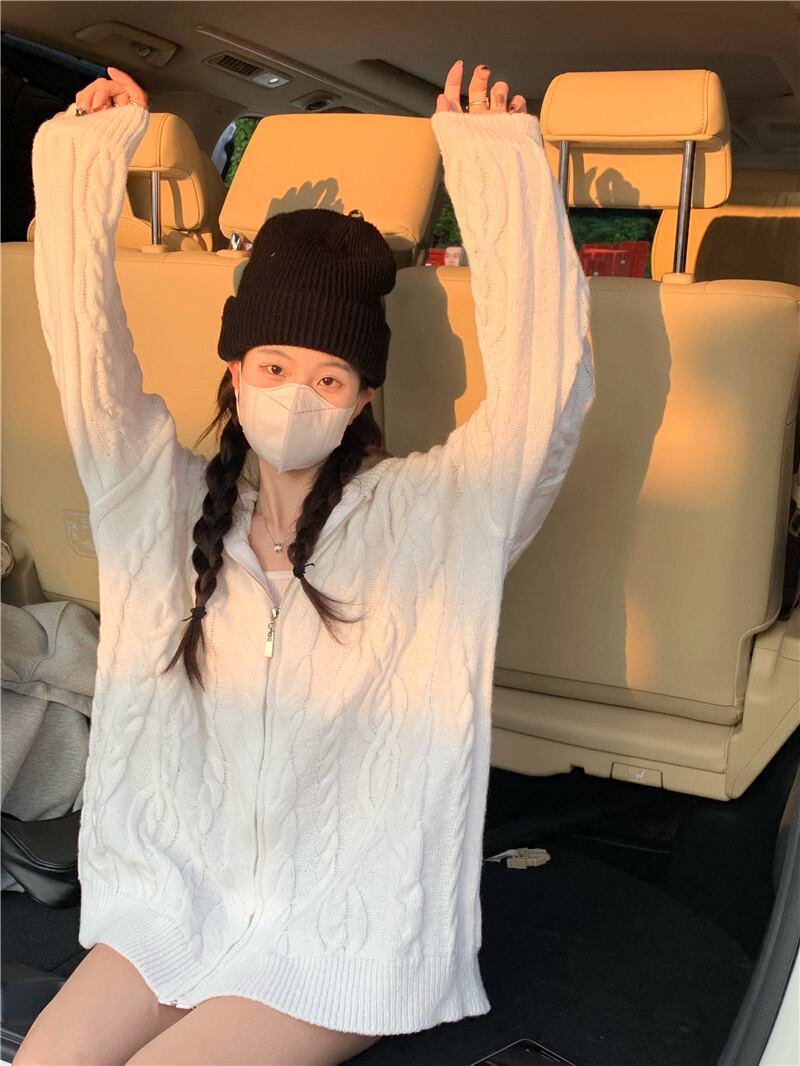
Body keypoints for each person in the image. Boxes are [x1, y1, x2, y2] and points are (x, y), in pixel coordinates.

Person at [15, 57, 594, 1066]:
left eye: (329, 378)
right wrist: (79, 168)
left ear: (363, 396)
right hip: (172, 899)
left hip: (341, 936)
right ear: (235, 370)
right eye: (275, 366)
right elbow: (87, 362)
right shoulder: (158, 502)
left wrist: (500, 173)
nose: (295, 394)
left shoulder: (434, 517)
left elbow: (545, 401)